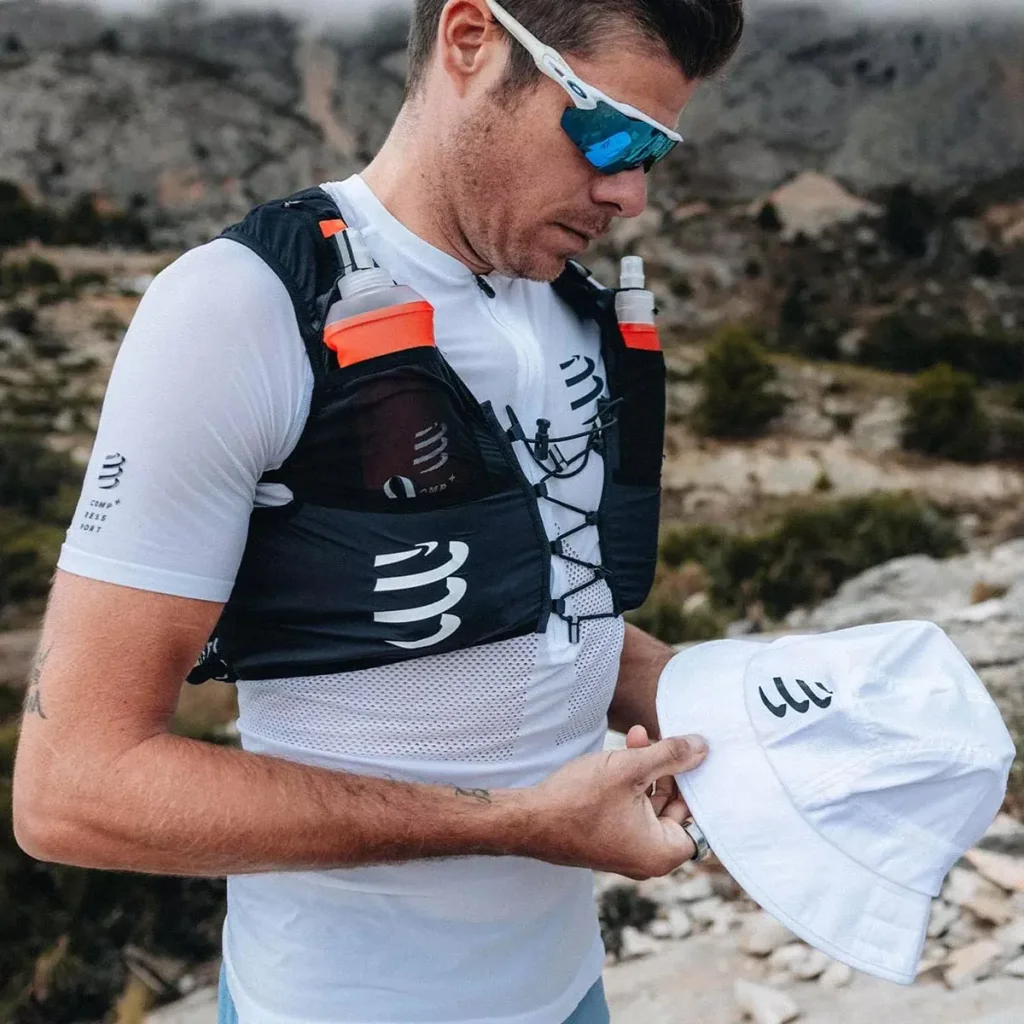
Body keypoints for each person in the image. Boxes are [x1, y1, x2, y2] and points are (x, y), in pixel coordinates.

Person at [13, 1, 744, 1021]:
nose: (630, 193)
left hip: (568, 989)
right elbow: (74, 787)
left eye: (653, 153)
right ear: (470, 41)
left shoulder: (570, 310)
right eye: (610, 134)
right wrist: (516, 821)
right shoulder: (239, 308)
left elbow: (544, 626)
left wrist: (764, 711)